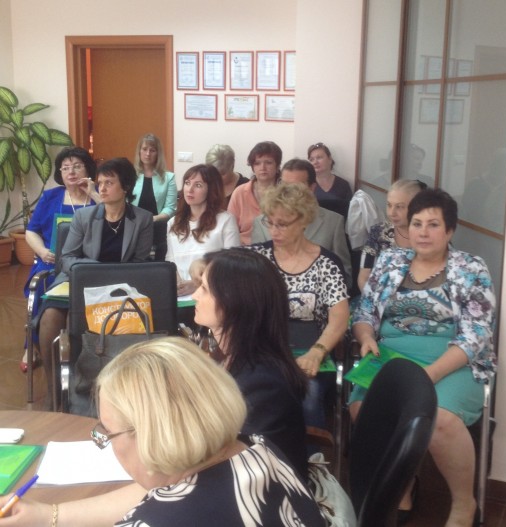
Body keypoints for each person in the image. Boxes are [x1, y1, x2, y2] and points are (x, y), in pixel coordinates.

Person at [0, 338, 325, 526]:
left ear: (152, 436)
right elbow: (161, 492)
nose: (104, 443)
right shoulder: (258, 450)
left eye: (107, 433)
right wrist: (48, 515)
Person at [351, 188, 496, 526]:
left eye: (433, 225)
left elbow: (476, 335)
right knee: (362, 409)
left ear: (450, 230)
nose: (423, 232)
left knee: (439, 420)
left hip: (451, 360)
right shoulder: (390, 261)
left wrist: (427, 376)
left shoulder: (471, 268)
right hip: (392, 355)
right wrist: (366, 337)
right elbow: (364, 312)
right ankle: (402, 485)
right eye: (417, 223)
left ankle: (463, 503)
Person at [36, 157, 153, 408]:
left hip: (118, 288)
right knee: (49, 318)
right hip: (79, 280)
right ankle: (54, 388)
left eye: (109, 183)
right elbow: (67, 257)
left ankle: (90, 386)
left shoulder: (142, 219)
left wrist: (108, 276)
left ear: (126, 187)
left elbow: (141, 263)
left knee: (77, 319)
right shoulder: (84, 217)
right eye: (100, 183)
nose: (102, 188)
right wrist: (92, 270)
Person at [191, 248, 311, 480]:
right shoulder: (232, 357)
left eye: (204, 289)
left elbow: (233, 469)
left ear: (233, 302)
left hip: (266, 493)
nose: (195, 295)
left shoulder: (263, 384)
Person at [249, 183, 350, 430]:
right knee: (246, 391)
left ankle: (310, 453)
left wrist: (317, 351)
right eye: (270, 222)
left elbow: (339, 318)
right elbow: (220, 266)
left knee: (307, 394)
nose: (274, 231)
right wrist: (203, 265)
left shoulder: (326, 264)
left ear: (304, 220)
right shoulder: (259, 258)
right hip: (266, 347)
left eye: (282, 224)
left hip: (312, 346)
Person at [21, 146, 99, 373]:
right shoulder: (50, 196)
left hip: (87, 263)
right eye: (65, 168)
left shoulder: (98, 195)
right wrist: (42, 251)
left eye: (77, 166)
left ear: (87, 169)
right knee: (39, 289)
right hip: (50, 261)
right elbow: (31, 231)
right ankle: (31, 345)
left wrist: (94, 194)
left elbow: (113, 219)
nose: (71, 172)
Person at [251, 158, 352, 282]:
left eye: (295, 187)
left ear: (312, 188)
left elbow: (344, 274)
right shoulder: (262, 222)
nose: (287, 192)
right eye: (284, 185)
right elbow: (254, 272)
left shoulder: (334, 222)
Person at [166, 164, 240, 299]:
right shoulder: (173, 223)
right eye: (187, 183)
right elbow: (170, 262)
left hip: (213, 294)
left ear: (211, 190)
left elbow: (231, 265)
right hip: (180, 296)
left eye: (198, 185)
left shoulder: (226, 220)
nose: (190, 189)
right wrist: (176, 284)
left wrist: (197, 284)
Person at [357, 179, 425, 291]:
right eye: (389, 205)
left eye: (400, 207)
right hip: (378, 296)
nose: (392, 213)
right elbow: (364, 277)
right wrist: (372, 299)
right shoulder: (379, 232)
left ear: (417, 207)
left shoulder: (429, 236)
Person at [132, 133, 177, 261]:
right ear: (139, 151)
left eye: (152, 150)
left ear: (158, 154)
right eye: (144, 149)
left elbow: (170, 208)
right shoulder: (130, 175)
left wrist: (152, 219)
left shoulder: (169, 177)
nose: (148, 154)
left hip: (159, 226)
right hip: (134, 225)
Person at [227, 141, 281, 244]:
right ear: (252, 167)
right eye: (257, 163)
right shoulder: (239, 192)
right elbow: (230, 230)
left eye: (268, 162)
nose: (263, 167)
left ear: (277, 166)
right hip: (243, 248)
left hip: (276, 247)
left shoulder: (286, 193)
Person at [307, 142, 353, 217]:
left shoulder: (343, 185)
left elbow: (351, 213)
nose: (315, 162)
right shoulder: (307, 185)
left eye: (319, 157)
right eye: (311, 159)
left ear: (330, 159)